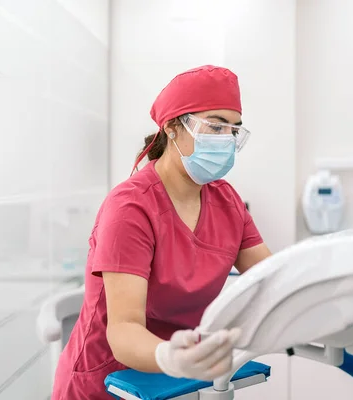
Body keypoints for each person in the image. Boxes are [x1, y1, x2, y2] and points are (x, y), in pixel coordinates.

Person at [51, 65, 272, 400]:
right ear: (172, 127)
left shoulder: (227, 201)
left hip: (175, 381)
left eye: (233, 130)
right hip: (108, 382)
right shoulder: (130, 209)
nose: (226, 139)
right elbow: (124, 331)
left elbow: (272, 280)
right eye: (215, 125)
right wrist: (172, 357)